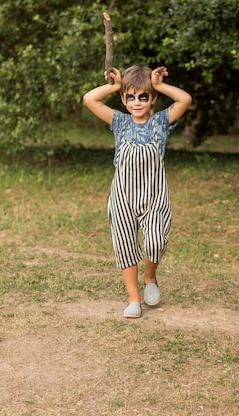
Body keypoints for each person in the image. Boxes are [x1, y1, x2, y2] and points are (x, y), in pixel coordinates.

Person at [83, 64, 191, 318]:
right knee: (125, 246)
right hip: (122, 197)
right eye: (130, 97)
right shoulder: (119, 122)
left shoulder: (161, 122)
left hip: (154, 197)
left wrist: (159, 84)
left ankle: (150, 277)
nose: (137, 102)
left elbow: (184, 98)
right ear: (123, 98)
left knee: (155, 243)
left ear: (152, 98)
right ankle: (134, 299)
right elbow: (89, 98)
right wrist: (114, 85)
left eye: (143, 97)